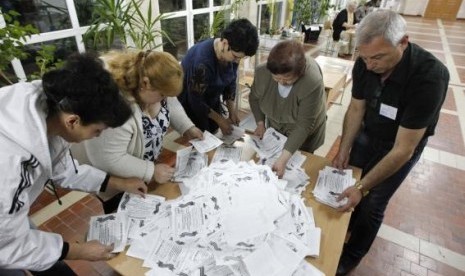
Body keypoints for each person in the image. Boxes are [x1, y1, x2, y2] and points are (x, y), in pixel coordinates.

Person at [0, 53, 147, 274]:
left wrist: (119, 183)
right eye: (97, 130)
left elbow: (65, 169)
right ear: (73, 121)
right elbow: (8, 247)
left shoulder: (53, 103)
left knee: (51, 263)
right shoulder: (11, 166)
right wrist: (80, 252)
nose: (97, 136)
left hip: (8, 220)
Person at [332, 10, 449, 275]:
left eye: (378, 57)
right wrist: (345, 147)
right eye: (364, 57)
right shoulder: (365, 61)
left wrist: (362, 187)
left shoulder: (430, 77)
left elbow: (403, 149)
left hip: (401, 143)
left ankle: (352, 255)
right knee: (349, 177)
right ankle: (349, 224)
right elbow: (356, 109)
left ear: (403, 42)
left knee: (373, 202)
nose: (370, 64)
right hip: (369, 130)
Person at [78, 50, 203, 214]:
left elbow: (171, 104)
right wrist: (150, 171)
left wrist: (188, 127)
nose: (165, 98)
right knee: (124, 217)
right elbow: (108, 158)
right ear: (145, 83)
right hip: (116, 181)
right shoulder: (115, 108)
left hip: (142, 168)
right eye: (162, 95)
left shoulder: (155, 85)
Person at [249, 40, 327, 178]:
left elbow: (303, 126)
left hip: (303, 133)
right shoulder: (263, 72)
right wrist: (260, 123)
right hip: (276, 129)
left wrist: (283, 160)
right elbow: (254, 98)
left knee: (299, 169)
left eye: (287, 79)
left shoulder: (311, 82)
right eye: (276, 78)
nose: (281, 82)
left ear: (300, 72)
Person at [178, 18, 259, 135]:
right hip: (192, 104)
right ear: (225, 43)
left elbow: (230, 82)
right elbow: (195, 100)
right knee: (200, 137)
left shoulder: (231, 54)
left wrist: (232, 111)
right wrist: (220, 119)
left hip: (211, 100)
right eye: (236, 56)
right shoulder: (203, 62)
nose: (237, 61)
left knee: (215, 132)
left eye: (240, 58)